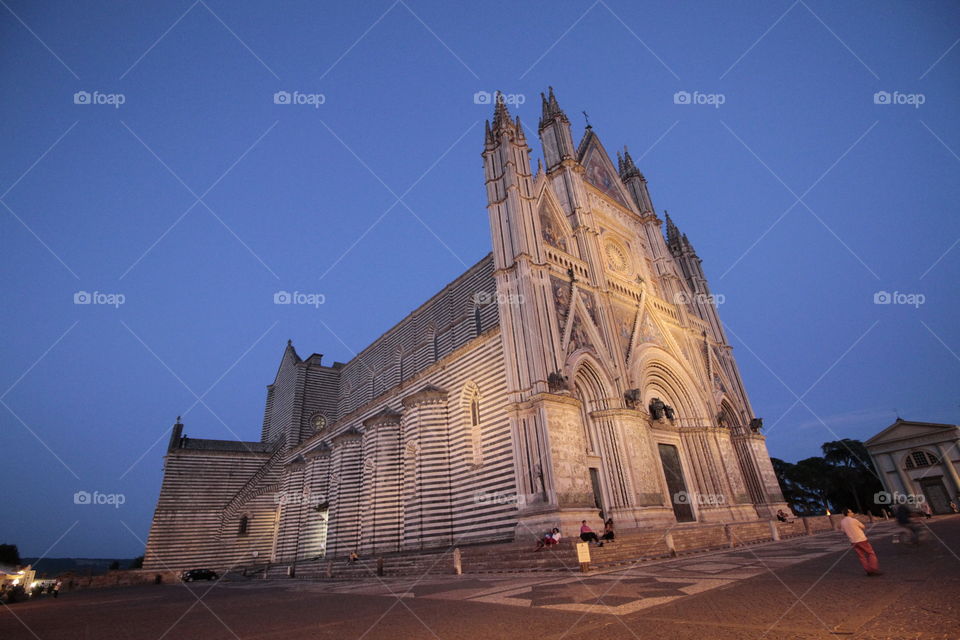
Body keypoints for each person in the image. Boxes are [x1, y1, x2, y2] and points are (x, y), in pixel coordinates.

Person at [840, 509, 881, 576]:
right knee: (871, 553)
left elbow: (843, 531)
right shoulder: (853, 520)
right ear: (848, 513)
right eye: (851, 512)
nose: (852, 513)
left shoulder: (842, 522)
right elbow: (863, 526)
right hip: (861, 539)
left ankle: (868, 570)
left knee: (861, 556)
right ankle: (873, 569)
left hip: (853, 541)